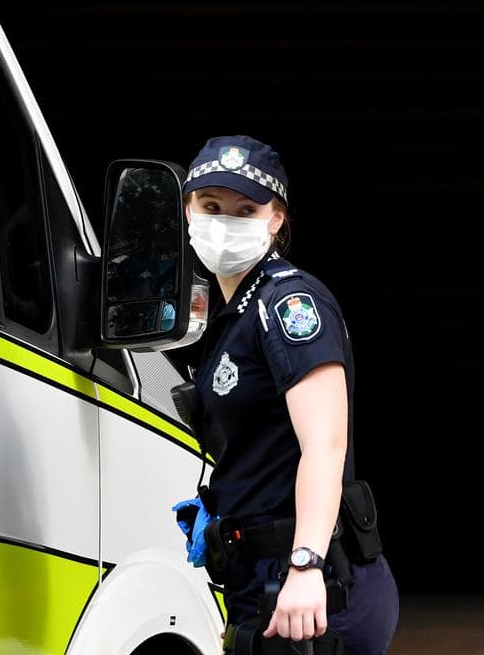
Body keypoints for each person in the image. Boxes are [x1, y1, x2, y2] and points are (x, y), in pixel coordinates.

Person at [170, 135, 398, 654]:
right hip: (260, 579)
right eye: (210, 207)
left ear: (276, 220)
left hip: (313, 588)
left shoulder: (289, 302)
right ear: (187, 210)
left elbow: (326, 444)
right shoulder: (231, 316)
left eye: (245, 210)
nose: (224, 223)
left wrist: (306, 564)